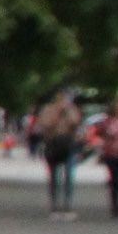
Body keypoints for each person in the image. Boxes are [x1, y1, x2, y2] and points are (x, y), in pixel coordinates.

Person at [30, 89, 84, 219]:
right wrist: (57, 114)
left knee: (69, 176)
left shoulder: (72, 109)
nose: (63, 101)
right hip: (53, 145)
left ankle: (67, 204)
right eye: (60, 98)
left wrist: (68, 113)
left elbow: (76, 123)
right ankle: (54, 204)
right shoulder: (48, 109)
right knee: (54, 176)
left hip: (68, 145)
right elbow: (45, 125)